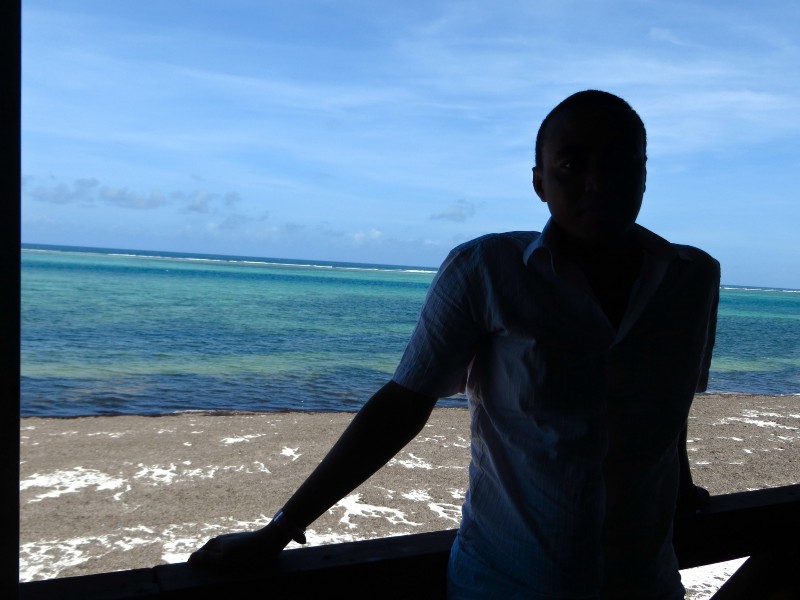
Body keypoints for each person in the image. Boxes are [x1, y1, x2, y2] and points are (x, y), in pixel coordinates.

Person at [189, 90, 720, 599]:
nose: (596, 183)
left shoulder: (692, 279)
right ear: (539, 182)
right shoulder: (485, 270)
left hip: (645, 584)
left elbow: (668, 410)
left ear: (644, 175)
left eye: (620, 163)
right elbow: (403, 403)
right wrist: (278, 530)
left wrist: (682, 490)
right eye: (570, 165)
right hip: (507, 583)